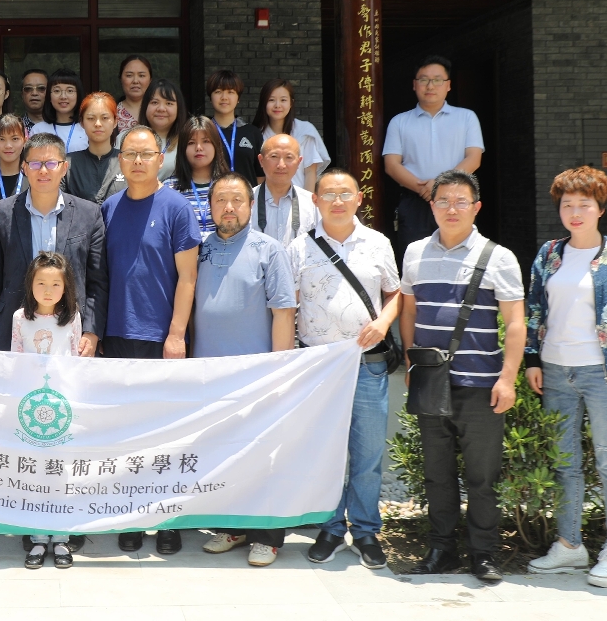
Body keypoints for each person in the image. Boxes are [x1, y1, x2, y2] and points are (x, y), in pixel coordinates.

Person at [524, 166, 607, 588]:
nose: (575, 213)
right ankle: (569, 546)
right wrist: (532, 360)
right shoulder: (549, 254)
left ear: (600, 209)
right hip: (556, 371)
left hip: (604, 374)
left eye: (584, 204)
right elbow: (535, 309)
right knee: (565, 464)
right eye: (567, 205)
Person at [400, 170, 526, 584]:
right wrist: (411, 362)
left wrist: (507, 378)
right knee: (436, 473)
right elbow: (409, 311)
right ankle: (441, 549)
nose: (451, 209)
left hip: (481, 385)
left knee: (481, 477)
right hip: (430, 383)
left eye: (460, 201)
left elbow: (515, 323)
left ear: (476, 208)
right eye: (443, 201)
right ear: (431, 205)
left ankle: (483, 554)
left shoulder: (498, 257)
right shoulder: (415, 252)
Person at [279, 168, 401, 570]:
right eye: (328, 194)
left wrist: (384, 323)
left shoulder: (378, 243)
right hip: (319, 367)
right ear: (315, 200)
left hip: (367, 363)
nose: (337, 201)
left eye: (345, 193)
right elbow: (288, 305)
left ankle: (365, 530)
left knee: (367, 453)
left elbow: (395, 293)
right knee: (325, 452)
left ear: (358, 199)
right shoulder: (299, 248)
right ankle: (330, 527)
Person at [101, 124, 201, 555]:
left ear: (161, 159)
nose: (137, 161)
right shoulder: (108, 208)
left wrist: (176, 334)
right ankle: (131, 515)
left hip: (160, 337)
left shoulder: (177, 207)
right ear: (120, 161)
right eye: (130, 154)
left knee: (165, 434)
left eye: (146, 154)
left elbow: (188, 277)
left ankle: (166, 521)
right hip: (116, 336)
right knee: (125, 432)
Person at [194, 173, 297, 567]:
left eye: (237, 200)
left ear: (251, 205)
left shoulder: (269, 249)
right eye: (221, 200)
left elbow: (283, 312)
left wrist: (280, 370)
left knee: (262, 455)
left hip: (257, 374)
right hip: (210, 374)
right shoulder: (200, 249)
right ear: (210, 206)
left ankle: (267, 537)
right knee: (223, 454)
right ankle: (232, 527)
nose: (229, 208)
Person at [0, 132, 107, 355]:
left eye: (51, 163)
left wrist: (91, 331)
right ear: (24, 167)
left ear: (64, 168)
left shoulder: (89, 214)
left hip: (71, 334)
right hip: (14, 332)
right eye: (35, 163)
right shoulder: (0, 213)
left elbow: (98, 282)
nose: (43, 170)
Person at [12, 251, 82, 571]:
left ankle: (62, 537)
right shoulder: (20, 319)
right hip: (32, 407)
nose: (49, 290)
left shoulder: (72, 318)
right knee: (36, 472)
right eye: (41, 283)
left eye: (56, 284)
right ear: (31, 284)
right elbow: (16, 359)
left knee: (61, 471)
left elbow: (75, 361)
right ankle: (39, 537)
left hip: (62, 407)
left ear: (66, 287)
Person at [383, 55, 484, 250]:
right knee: (414, 255)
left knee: (460, 253)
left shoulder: (466, 117)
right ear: (414, 84)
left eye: (437, 80)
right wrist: (424, 189)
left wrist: (439, 186)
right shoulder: (399, 121)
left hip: (456, 200)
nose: (430, 86)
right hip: (415, 200)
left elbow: (474, 158)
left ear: (448, 85)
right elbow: (392, 165)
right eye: (424, 80)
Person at [252, 79, 329, 191]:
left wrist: (307, 199)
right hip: (267, 198)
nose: (277, 105)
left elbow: (310, 172)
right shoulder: (255, 134)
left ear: (291, 103)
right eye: (271, 100)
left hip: (299, 196)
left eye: (283, 100)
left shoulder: (305, 130)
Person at [165, 115, 230, 239]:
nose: (199, 148)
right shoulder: (169, 188)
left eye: (206, 141)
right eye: (191, 143)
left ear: (216, 145)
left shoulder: (231, 184)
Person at [250, 133, 319, 249]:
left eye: (289, 157)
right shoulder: (244, 202)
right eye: (274, 156)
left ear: (299, 162)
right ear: (261, 160)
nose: (281, 165)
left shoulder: (313, 204)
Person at [64, 92, 123, 203]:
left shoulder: (127, 160)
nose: (98, 124)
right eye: (91, 118)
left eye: (105, 118)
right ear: (82, 122)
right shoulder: (67, 163)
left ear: (115, 122)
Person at [206, 70, 263, 182]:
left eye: (230, 92)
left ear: (238, 98)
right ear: (210, 97)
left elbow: (260, 174)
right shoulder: (203, 132)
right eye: (218, 91)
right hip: (212, 193)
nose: (224, 97)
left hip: (247, 193)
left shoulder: (252, 133)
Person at [136, 78, 186, 181]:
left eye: (169, 103)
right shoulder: (126, 139)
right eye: (155, 102)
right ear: (145, 106)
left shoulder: (187, 141)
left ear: (179, 108)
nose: (161, 109)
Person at [30, 69, 88, 152]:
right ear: (49, 96)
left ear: (78, 95)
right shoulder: (38, 130)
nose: (63, 96)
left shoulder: (87, 129)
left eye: (70, 91)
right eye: (57, 91)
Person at [115, 56, 152, 131]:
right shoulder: (111, 112)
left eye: (141, 75)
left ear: (150, 80)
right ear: (121, 79)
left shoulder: (158, 111)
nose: (135, 81)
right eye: (129, 75)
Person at [19, 68, 48, 133]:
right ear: (22, 95)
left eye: (41, 88)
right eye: (28, 89)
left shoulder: (60, 126)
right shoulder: (14, 128)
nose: (34, 93)